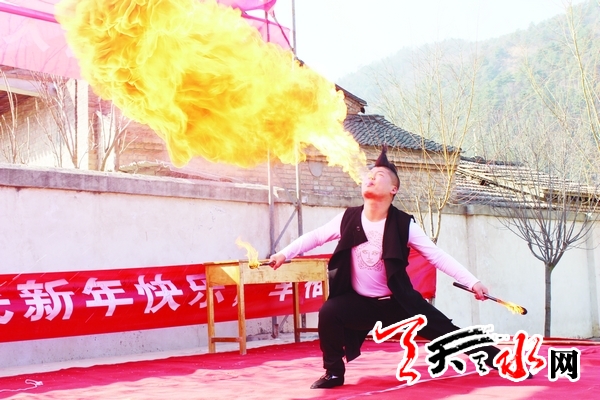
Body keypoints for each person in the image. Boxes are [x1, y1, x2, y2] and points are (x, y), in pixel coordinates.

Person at [269, 146, 501, 389]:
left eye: (378, 176)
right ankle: (334, 373)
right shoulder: (348, 218)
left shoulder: (403, 224)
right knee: (329, 311)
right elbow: (315, 237)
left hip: (399, 303)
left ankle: (498, 359)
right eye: (369, 175)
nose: (370, 178)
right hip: (360, 303)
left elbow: (437, 256)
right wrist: (284, 254)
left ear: (393, 189)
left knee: (447, 331)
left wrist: (473, 282)